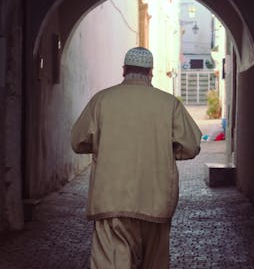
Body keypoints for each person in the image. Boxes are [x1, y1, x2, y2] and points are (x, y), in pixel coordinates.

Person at [71, 47, 202, 269]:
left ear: (123, 70)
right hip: (156, 203)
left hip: (111, 202)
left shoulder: (101, 100)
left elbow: (78, 141)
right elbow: (191, 146)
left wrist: (104, 145)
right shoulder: (169, 104)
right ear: (150, 73)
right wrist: (163, 149)